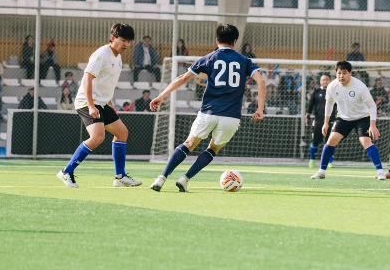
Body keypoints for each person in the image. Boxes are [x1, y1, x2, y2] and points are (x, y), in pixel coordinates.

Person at [149, 24, 266, 192]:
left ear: (216, 39)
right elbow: (261, 81)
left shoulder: (209, 58)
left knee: (189, 144)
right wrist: (260, 109)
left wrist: (161, 96)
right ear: (235, 41)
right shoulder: (245, 60)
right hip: (231, 117)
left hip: (208, 113)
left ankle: (161, 178)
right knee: (213, 149)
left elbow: (183, 78)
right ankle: (185, 179)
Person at [56, 23, 141, 189]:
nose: (126, 44)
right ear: (112, 38)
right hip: (87, 102)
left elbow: (106, 82)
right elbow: (87, 79)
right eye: (123, 40)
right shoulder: (101, 54)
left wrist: (109, 103)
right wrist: (91, 105)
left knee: (122, 133)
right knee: (97, 137)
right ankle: (66, 171)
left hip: (102, 103)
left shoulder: (118, 58)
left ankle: (120, 177)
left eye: (129, 41)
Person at [311, 61, 384, 180]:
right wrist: (325, 123)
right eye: (339, 73)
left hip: (362, 117)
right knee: (331, 141)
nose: (341, 76)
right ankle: (321, 172)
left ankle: (380, 172)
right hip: (343, 118)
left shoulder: (360, 86)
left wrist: (373, 125)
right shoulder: (332, 86)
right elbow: (329, 104)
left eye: (344, 73)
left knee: (365, 141)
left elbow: (372, 105)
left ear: (350, 73)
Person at [305, 74, 335, 168]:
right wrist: (307, 115)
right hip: (318, 121)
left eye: (327, 79)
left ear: (330, 81)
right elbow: (310, 105)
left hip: (331, 121)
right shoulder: (316, 92)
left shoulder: (334, 92)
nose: (325, 81)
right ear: (320, 81)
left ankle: (329, 162)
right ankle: (312, 160)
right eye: (323, 80)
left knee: (330, 142)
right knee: (315, 141)